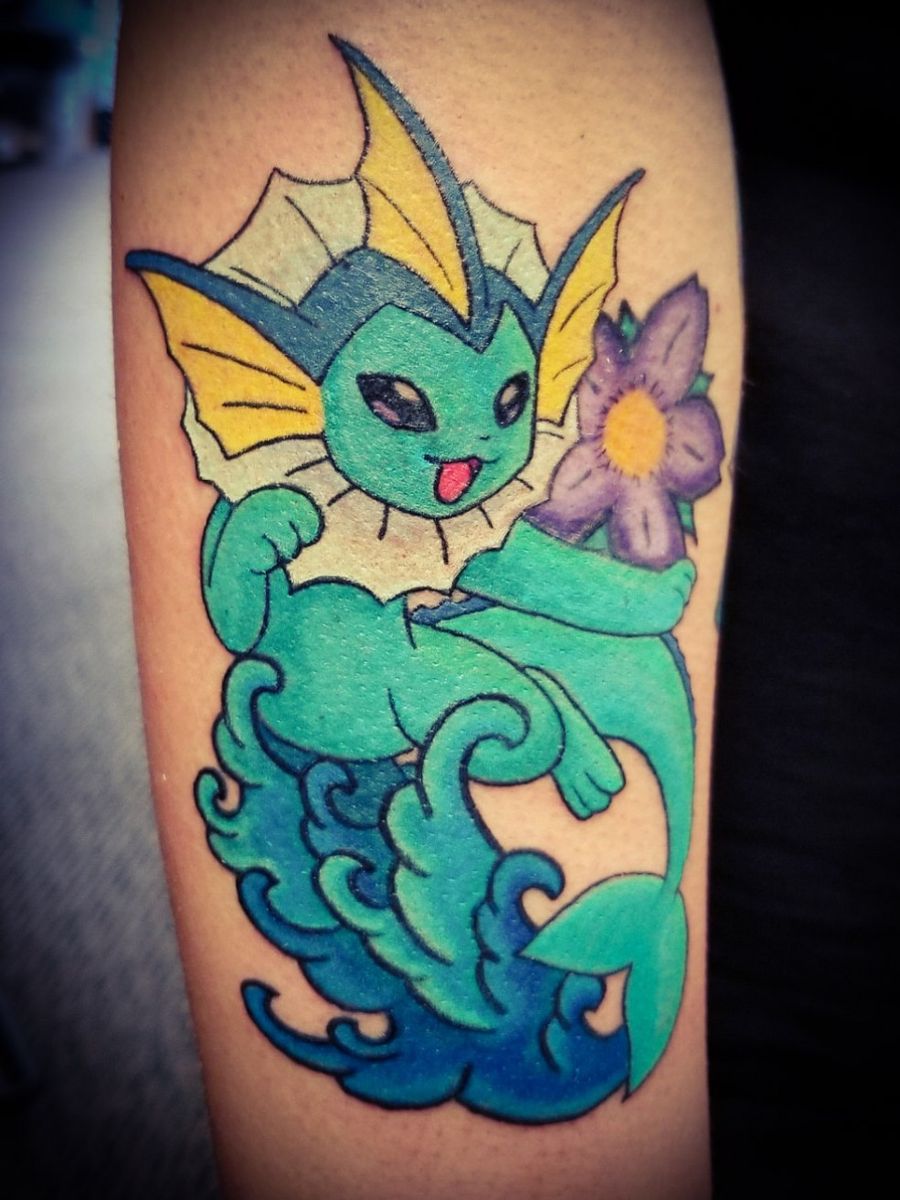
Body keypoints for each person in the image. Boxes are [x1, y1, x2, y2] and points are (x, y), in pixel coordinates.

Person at [112, 2, 742, 1195]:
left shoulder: (495, 526)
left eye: (509, 406)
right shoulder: (308, 512)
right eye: (400, 404)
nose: (464, 456)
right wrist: (244, 541)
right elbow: (246, 628)